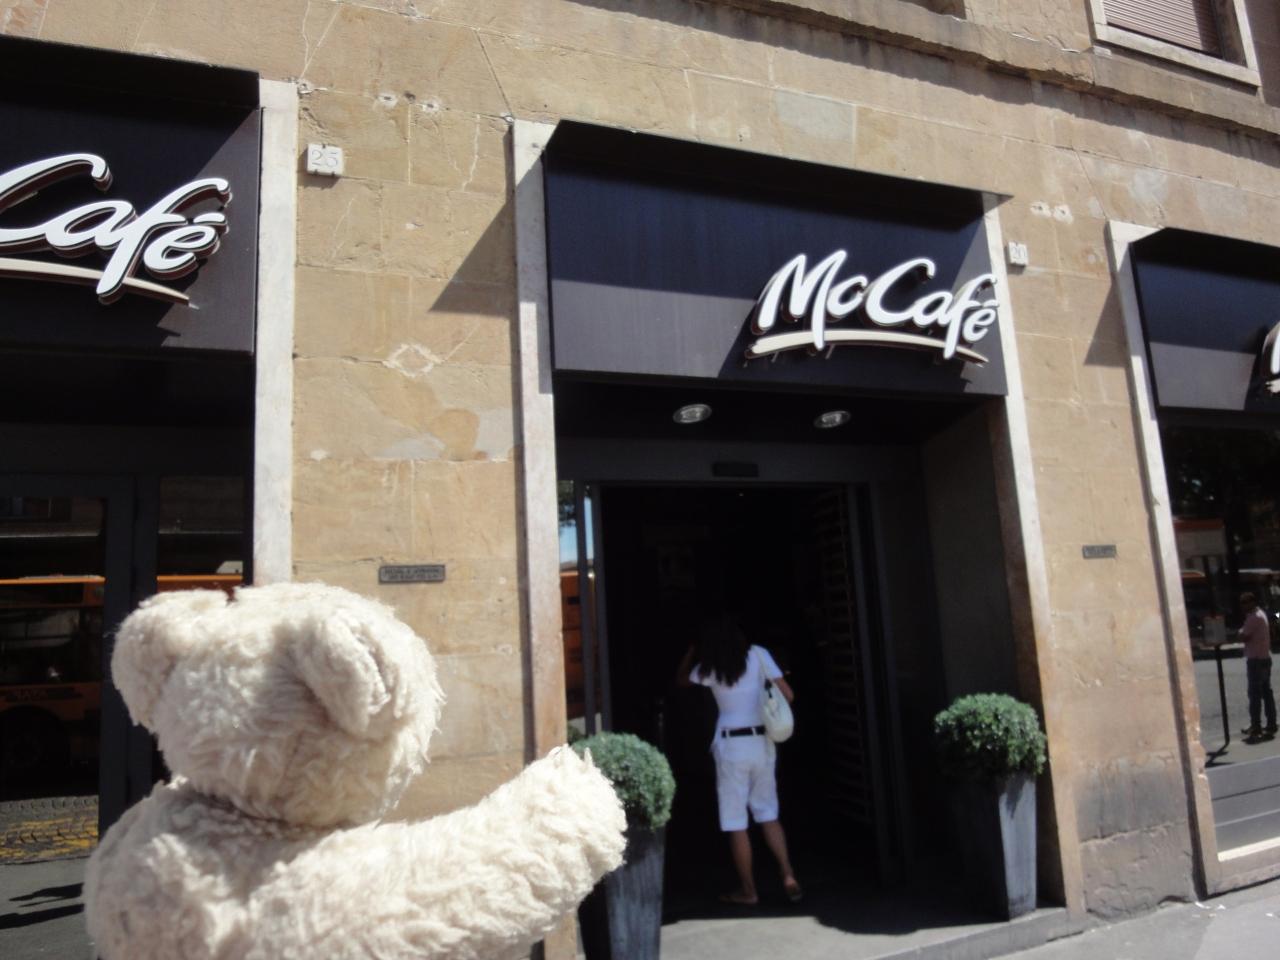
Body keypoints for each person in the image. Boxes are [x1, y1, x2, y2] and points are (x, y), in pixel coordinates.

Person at [677, 616, 801, 905]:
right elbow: (788, 694)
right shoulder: (759, 655)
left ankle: (748, 890)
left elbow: (681, 680)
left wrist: (691, 652)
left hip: (731, 744)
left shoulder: (710, 667)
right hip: (762, 741)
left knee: (736, 822)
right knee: (768, 813)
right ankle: (788, 873)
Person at [1238, 593, 1277, 740]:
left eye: (1245, 602)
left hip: (1256, 660)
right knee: (1266, 692)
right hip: (1264, 657)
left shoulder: (1254, 617)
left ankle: (1256, 726)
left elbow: (1243, 635)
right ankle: (1271, 724)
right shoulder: (1260, 614)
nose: (1243, 605)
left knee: (1255, 694)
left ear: (1252, 602)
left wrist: (1240, 632)